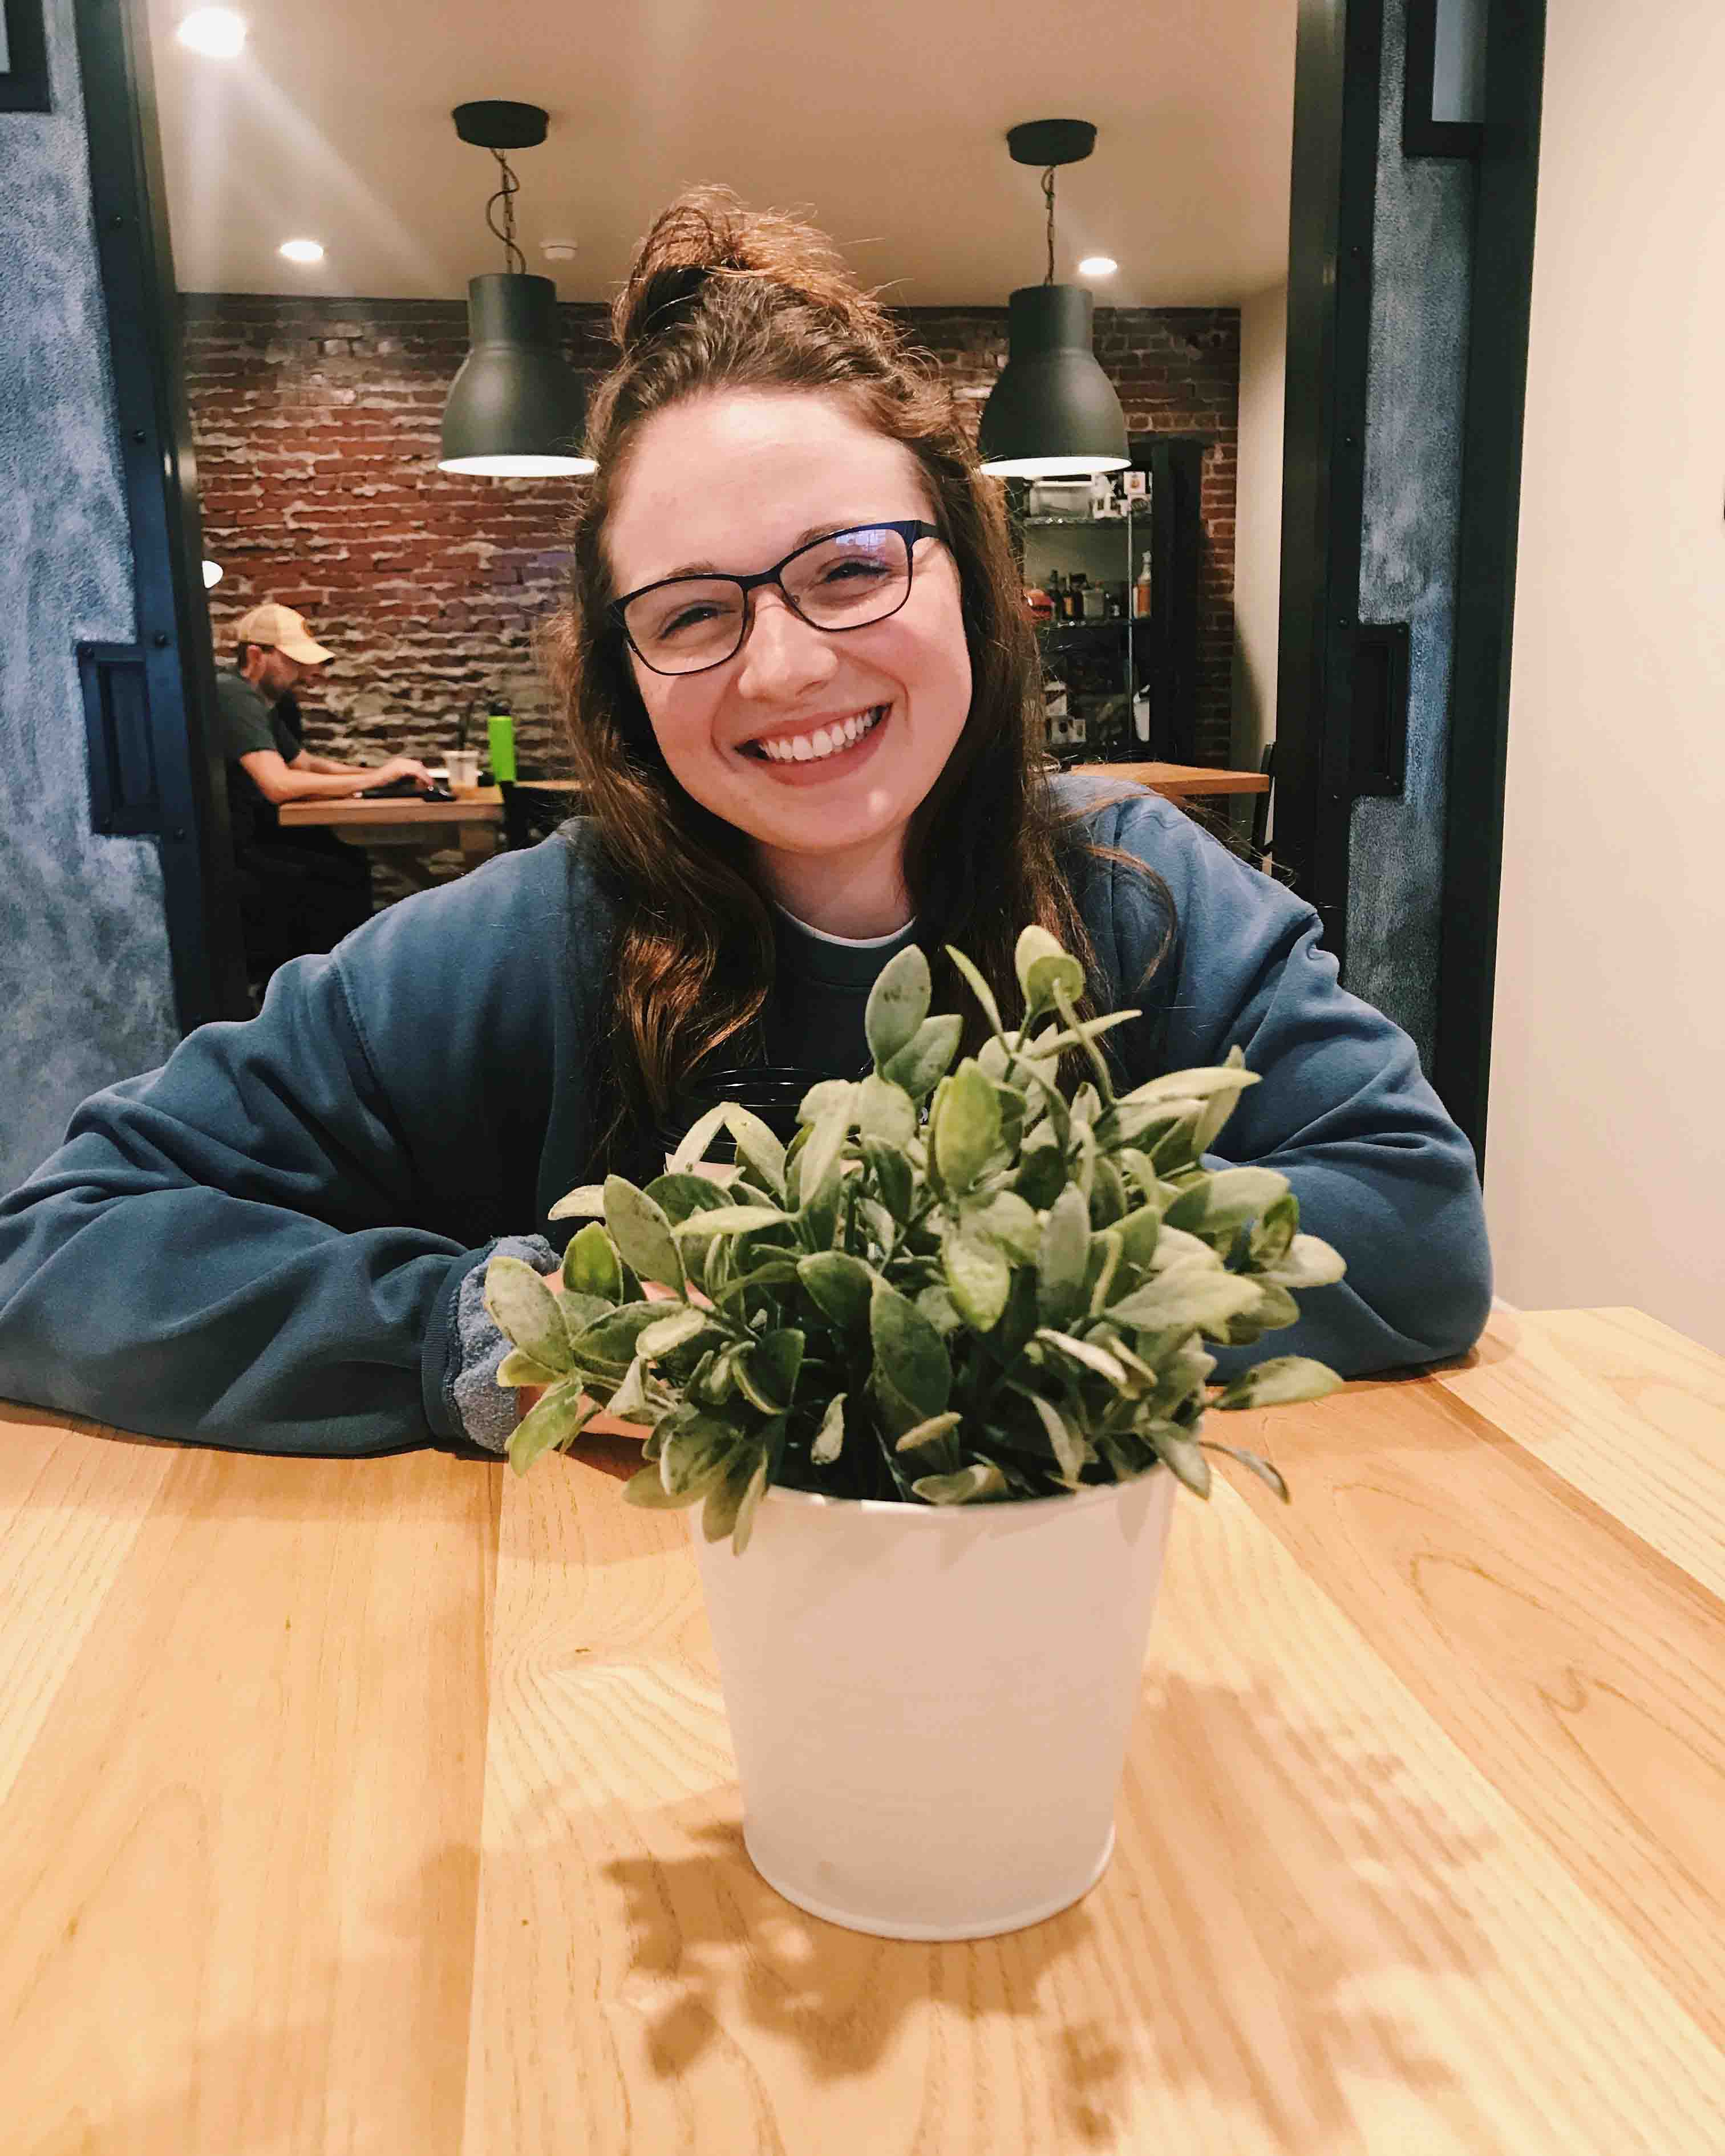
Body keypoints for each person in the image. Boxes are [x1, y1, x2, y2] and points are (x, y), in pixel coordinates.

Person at [0, 188, 1492, 1460]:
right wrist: (504, 1328)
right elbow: (63, 1246)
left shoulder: (1140, 889)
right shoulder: (527, 940)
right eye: (694, 610)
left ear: (967, 576)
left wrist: (985, 1325)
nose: (785, 665)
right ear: (625, 670)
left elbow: (1412, 1220)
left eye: (850, 569)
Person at [215, 602, 434, 985]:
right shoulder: (233, 695)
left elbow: (305, 764)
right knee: (337, 874)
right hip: (231, 847)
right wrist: (374, 779)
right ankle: (330, 991)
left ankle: (343, 988)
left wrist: (384, 776)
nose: (307, 674)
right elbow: (279, 785)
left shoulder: (260, 701)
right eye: (294, 662)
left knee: (343, 857)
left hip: (251, 835)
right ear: (256, 655)